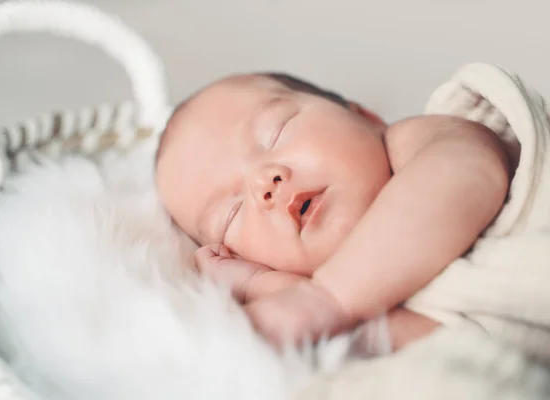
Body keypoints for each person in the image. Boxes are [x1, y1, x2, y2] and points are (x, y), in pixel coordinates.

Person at [155, 63, 550, 359]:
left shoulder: (424, 142)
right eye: (231, 214)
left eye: (275, 132)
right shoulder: (371, 301)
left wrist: (327, 299)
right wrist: (266, 287)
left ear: (363, 115)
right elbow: (465, 354)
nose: (263, 184)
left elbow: (467, 173)